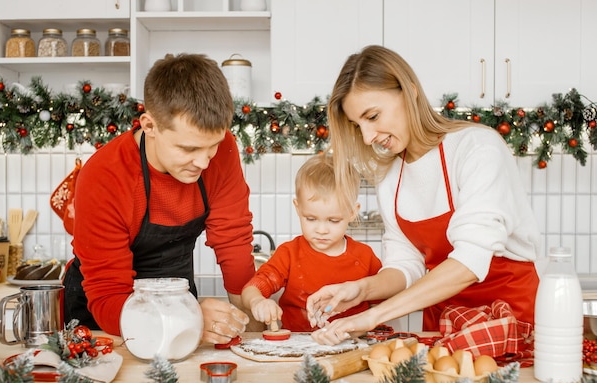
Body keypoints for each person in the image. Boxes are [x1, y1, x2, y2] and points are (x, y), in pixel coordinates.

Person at [306, 45, 541, 346]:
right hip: (443, 328)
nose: (367, 137)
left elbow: (470, 262)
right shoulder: (391, 176)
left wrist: (372, 317)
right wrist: (359, 290)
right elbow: (406, 265)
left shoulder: (476, 149)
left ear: (409, 92)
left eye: (373, 116)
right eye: (357, 125)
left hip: (512, 322)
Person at [63, 53, 258, 345]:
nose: (204, 162)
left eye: (212, 146)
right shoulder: (105, 175)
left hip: (181, 305)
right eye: (188, 149)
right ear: (150, 126)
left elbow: (233, 242)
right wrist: (188, 317)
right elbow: (107, 296)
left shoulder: (223, 150)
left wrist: (252, 334)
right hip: (105, 324)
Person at [241, 154, 382, 332]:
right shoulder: (289, 254)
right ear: (298, 208)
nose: (321, 230)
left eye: (333, 220)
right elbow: (251, 289)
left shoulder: (365, 256)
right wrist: (258, 301)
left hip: (352, 348)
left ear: (353, 213)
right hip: (297, 348)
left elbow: (387, 301)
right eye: (311, 218)